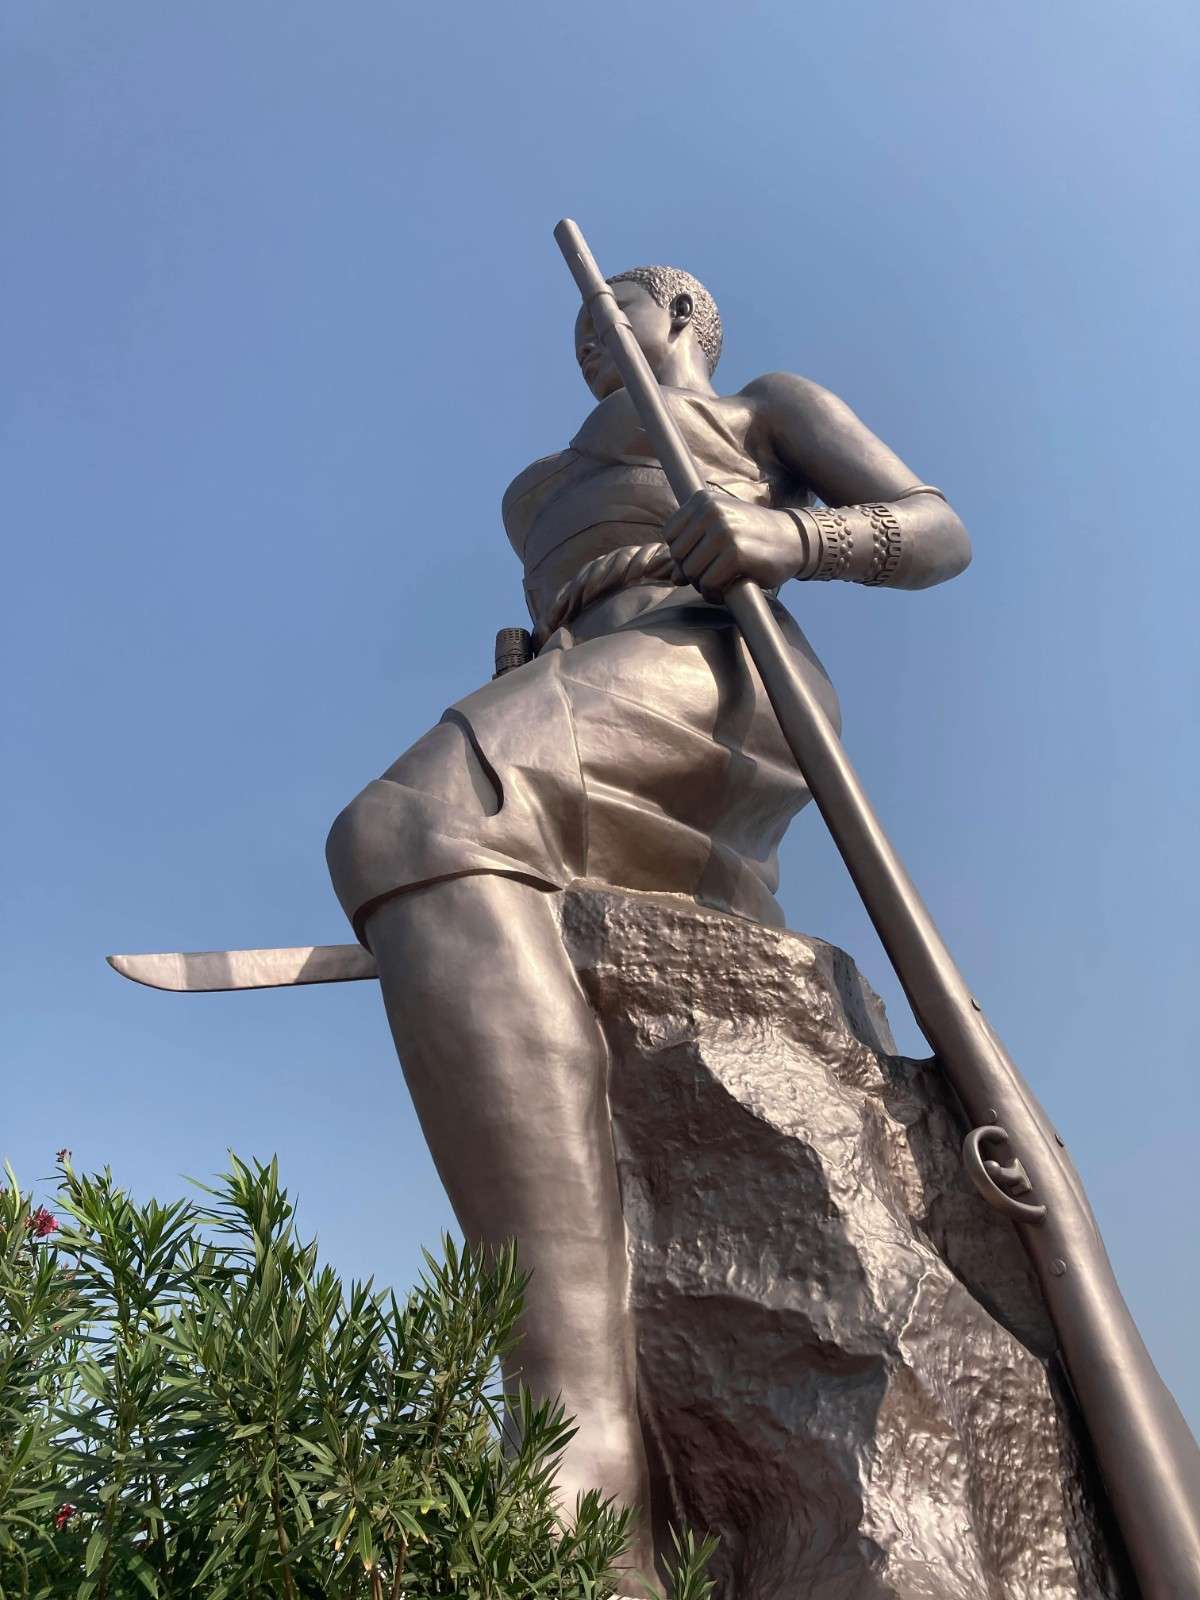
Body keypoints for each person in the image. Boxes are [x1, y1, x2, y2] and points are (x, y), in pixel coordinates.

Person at [326, 264, 971, 1592]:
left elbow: (937, 527)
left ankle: (578, 1436)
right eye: (578, 319)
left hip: (720, 668)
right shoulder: (532, 490)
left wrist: (797, 541)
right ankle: (576, 1403)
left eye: (619, 306)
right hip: (590, 686)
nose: (588, 332)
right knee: (455, 869)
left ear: (684, 317)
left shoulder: (761, 412)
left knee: (401, 828)